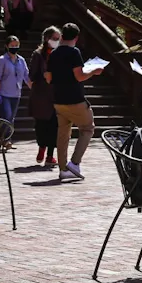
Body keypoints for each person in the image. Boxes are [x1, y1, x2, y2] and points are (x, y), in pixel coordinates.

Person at [45, 22, 101, 182]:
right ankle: (74, 163)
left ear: (62, 36)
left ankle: (63, 168)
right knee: (88, 128)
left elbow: (48, 78)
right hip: (74, 98)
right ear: (76, 38)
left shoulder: (53, 54)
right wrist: (93, 72)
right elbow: (79, 76)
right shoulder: (74, 52)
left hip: (58, 99)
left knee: (63, 134)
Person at [26, 26, 60, 168]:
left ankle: (50, 155)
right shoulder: (38, 54)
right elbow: (32, 75)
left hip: (56, 94)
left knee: (55, 125)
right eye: (54, 38)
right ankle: (41, 148)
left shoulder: (59, 53)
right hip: (41, 94)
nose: (57, 41)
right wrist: (43, 77)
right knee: (41, 124)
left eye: (59, 39)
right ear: (47, 38)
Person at [0, 36, 29, 145]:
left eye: (16, 45)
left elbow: (26, 76)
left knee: (11, 117)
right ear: (7, 46)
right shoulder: (2, 60)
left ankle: (7, 138)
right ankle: (5, 139)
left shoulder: (21, 60)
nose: (14, 47)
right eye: (12, 45)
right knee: (6, 116)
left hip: (16, 93)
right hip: (4, 93)